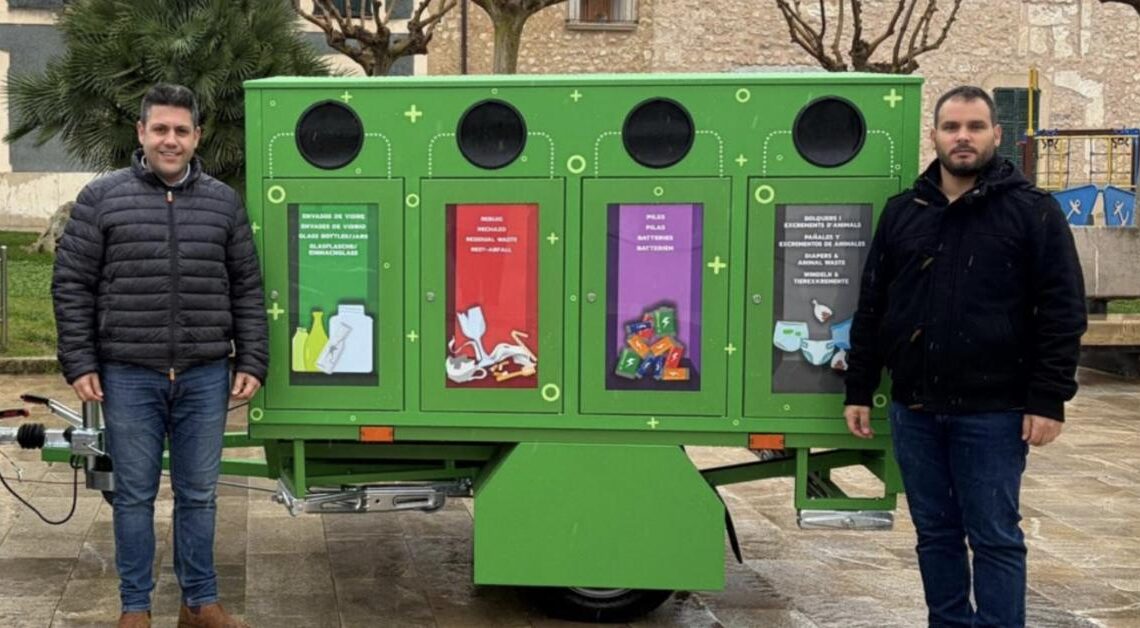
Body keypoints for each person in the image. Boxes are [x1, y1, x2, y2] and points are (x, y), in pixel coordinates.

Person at [843, 85, 1087, 627]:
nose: (963, 137)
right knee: (935, 534)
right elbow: (874, 306)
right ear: (934, 135)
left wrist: (1048, 398)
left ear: (996, 134)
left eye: (975, 127)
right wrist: (859, 386)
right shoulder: (903, 213)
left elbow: (1063, 312)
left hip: (994, 413)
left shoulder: (1032, 212)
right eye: (952, 127)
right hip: (916, 410)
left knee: (995, 537)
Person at [53, 83, 267, 628]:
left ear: (197, 137)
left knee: (199, 494)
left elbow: (246, 286)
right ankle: (136, 608)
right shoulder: (101, 199)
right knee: (133, 496)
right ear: (141, 133)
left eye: (181, 130)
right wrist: (80, 361)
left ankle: (199, 602)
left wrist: (252, 359)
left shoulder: (223, 203)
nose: (170, 140)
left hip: (204, 373)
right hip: (128, 373)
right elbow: (72, 284)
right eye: (160, 129)